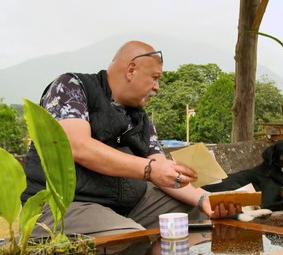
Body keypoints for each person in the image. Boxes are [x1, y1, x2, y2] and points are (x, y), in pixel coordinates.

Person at [22, 40, 240, 237]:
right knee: (130, 237)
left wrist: (206, 200)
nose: (158, 87)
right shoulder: (71, 87)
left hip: (127, 208)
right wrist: (149, 169)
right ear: (131, 70)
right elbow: (78, 146)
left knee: (195, 216)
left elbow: (160, 168)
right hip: (66, 205)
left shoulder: (141, 118)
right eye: (155, 78)